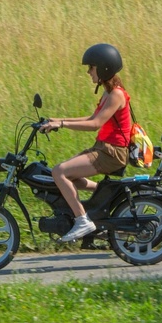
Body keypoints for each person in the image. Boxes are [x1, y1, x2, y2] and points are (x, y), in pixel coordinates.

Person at [40, 43, 133, 243]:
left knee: (59, 171)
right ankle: (101, 191)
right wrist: (57, 120)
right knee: (66, 177)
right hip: (104, 148)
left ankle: (82, 221)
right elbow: (92, 116)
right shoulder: (109, 93)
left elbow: (95, 124)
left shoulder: (116, 94)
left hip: (112, 152)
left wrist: (62, 124)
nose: (89, 72)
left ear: (103, 68)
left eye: (91, 67)